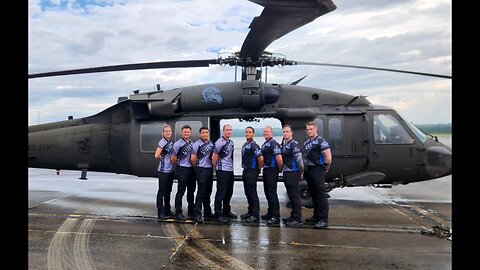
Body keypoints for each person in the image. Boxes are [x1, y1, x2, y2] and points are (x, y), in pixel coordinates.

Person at [304, 121, 332, 229]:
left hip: (318, 169)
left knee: (321, 195)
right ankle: (316, 216)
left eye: (311, 129)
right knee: (313, 194)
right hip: (310, 169)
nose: (309, 131)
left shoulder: (321, 141)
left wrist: (325, 167)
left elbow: (328, 157)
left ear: (316, 129)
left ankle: (324, 219)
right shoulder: (306, 143)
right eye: (308, 129)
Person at [212, 124, 237, 223]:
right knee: (221, 193)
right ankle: (218, 213)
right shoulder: (219, 142)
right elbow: (214, 157)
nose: (229, 132)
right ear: (223, 131)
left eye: (230, 130)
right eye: (227, 130)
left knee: (229, 192)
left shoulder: (231, 142)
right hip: (222, 171)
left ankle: (227, 211)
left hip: (230, 170)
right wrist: (216, 169)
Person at [280, 124, 304, 227]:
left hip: (293, 172)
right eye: (284, 132)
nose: (285, 133)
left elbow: (299, 159)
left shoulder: (294, 144)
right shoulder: (285, 144)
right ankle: (293, 216)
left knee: (295, 196)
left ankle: (297, 219)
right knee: (290, 195)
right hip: (286, 172)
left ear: (291, 133)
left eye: (287, 132)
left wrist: (301, 171)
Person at [191, 126, 215, 223]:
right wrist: (197, 167)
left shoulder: (211, 143)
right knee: (201, 192)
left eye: (206, 132)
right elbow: (193, 158)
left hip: (209, 170)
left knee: (208, 192)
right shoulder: (197, 144)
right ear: (200, 134)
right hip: (201, 170)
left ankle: (207, 212)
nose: (205, 134)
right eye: (203, 133)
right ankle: (197, 213)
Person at [171, 125, 196, 221]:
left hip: (191, 169)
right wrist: (178, 165)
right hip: (182, 169)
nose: (186, 133)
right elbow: (173, 158)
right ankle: (178, 212)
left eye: (188, 132)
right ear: (182, 133)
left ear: (190, 132)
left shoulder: (191, 143)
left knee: (191, 191)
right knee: (181, 191)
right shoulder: (178, 144)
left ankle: (191, 210)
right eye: (184, 132)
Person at [239, 126, 264, 223]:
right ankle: (250, 211)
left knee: (252, 193)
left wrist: (258, 168)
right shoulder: (245, 144)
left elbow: (261, 159)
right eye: (246, 132)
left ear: (253, 134)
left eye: (250, 132)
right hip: (245, 170)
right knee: (247, 192)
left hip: (252, 171)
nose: (248, 133)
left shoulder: (254, 145)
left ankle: (255, 214)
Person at [260, 126, 283, 225]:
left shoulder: (274, 144)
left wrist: (279, 168)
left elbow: (279, 158)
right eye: (264, 131)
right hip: (266, 169)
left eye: (267, 132)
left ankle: (275, 216)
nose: (266, 133)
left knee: (272, 193)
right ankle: (270, 213)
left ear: (272, 133)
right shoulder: (265, 144)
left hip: (272, 170)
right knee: (267, 193)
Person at [154, 125, 175, 220]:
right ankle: (160, 212)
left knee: (168, 191)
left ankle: (167, 209)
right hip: (163, 171)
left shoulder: (170, 142)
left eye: (169, 131)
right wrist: (163, 160)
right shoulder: (162, 142)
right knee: (161, 192)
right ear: (163, 133)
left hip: (170, 170)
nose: (168, 133)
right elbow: (157, 155)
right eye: (166, 131)